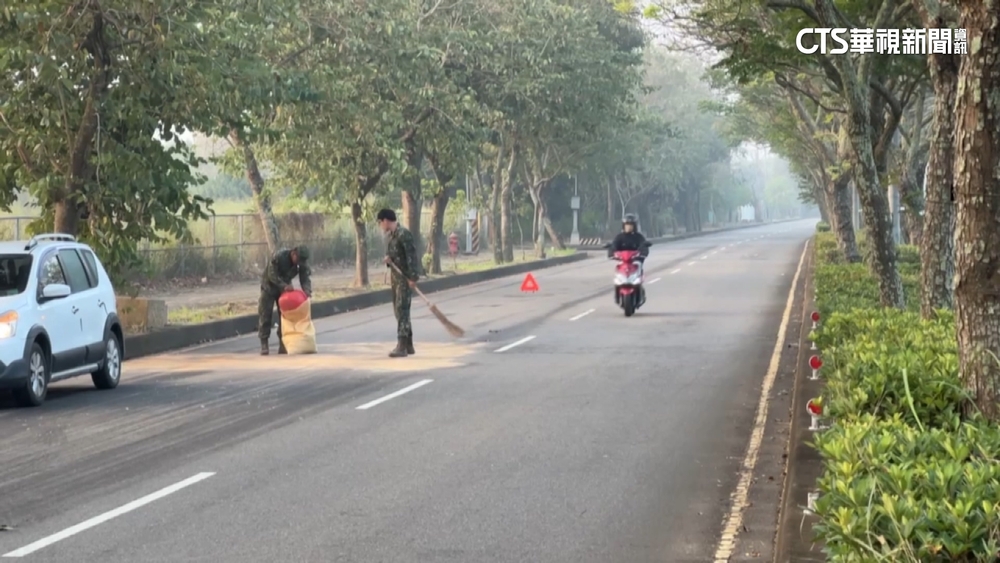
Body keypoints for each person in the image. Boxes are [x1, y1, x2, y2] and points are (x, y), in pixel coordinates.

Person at [377, 208, 419, 358]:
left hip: (404, 279)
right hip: (396, 278)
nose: (381, 226)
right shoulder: (392, 237)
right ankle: (408, 344)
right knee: (399, 310)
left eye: (380, 222)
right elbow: (395, 256)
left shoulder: (403, 234)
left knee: (402, 309)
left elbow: (412, 256)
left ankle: (401, 346)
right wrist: (389, 260)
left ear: (386, 221)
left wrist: (413, 277)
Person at [258, 246, 312, 355]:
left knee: (285, 317)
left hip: (284, 291)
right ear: (293, 253)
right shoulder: (279, 256)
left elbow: (305, 278)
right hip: (269, 287)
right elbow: (272, 275)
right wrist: (284, 286)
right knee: (265, 314)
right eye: (298, 260)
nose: (299, 263)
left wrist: (307, 291)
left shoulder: (300, 264)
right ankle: (264, 342)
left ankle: (283, 343)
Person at [608, 213, 649, 304]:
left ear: (634, 226)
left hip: (635, 261)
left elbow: (644, 246)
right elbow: (613, 246)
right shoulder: (619, 237)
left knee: (639, 267)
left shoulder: (639, 237)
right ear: (623, 226)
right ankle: (617, 294)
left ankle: (639, 292)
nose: (629, 227)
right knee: (617, 271)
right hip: (623, 261)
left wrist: (642, 253)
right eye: (627, 225)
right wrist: (612, 253)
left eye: (630, 225)